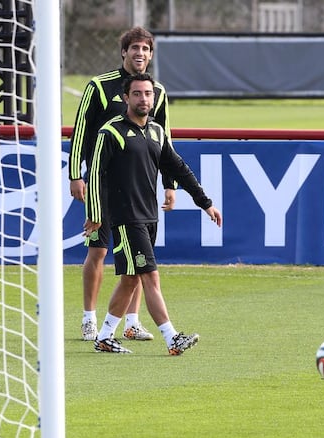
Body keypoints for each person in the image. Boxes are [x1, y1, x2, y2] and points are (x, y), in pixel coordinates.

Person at [84, 73, 222, 355]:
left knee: (131, 279)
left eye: (148, 93)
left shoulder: (157, 132)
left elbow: (178, 167)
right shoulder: (111, 133)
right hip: (126, 217)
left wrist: (204, 202)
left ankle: (105, 337)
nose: (143, 98)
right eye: (137, 93)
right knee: (150, 276)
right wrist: (96, 213)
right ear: (126, 98)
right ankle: (172, 338)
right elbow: (95, 174)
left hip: (149, 216)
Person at [68, 27, 176, 341]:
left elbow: (164, 140)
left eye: (145, 49)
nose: (140, 53)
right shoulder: (99, 87)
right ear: (124, 52)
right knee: (98, 252)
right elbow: (81, 132)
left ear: (151, 54)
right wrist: (76, 174)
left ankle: (132, 321)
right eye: (134, 48)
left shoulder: (157, 91)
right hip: (102, 186)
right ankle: (89, 318)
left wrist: (169, 183)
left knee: (136, 256)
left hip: (138, 187)